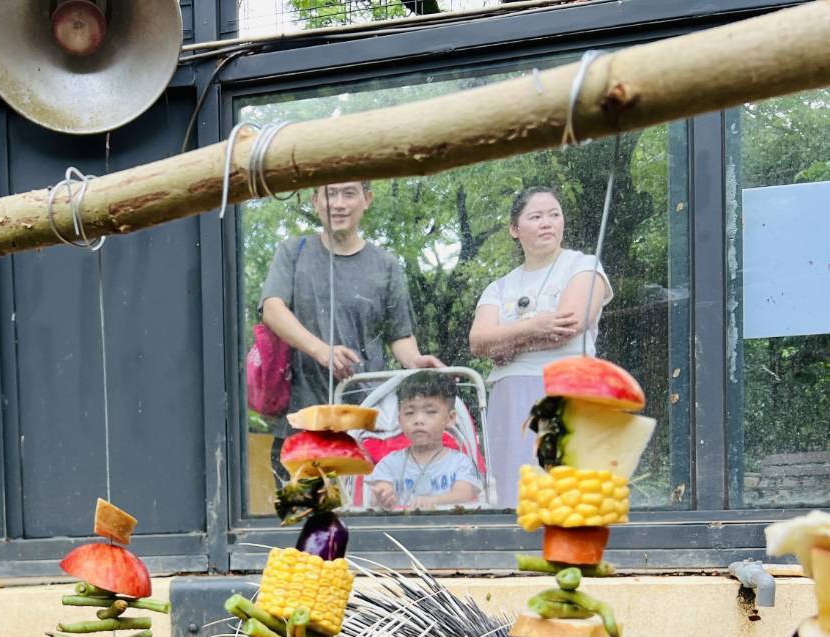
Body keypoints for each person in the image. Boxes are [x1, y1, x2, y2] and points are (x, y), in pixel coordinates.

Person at [259, 181, 445, 478]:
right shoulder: (294, 251)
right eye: (330, 194)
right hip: (302, 419)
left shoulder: (385, 265)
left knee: (364, 518)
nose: (340, 203)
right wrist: (322, 351)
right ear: (315, 200)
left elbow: (399, 335)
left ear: (366, 200)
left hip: (366, 423)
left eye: (349, 193)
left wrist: (415, 362)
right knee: (307, 521)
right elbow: (272, 309)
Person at [469, 186, 613, 507]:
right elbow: (479, 341)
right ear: (515, 230)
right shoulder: (499, 287)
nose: (547, 223)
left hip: (566, 389)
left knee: (564, 488)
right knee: (512, 488)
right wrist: (535, 326)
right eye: (536, 217)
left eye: (554, 215)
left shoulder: (583, 266)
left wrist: (507, 340)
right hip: (509, 398)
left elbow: (570, 324)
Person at [366, 372, 482, 511]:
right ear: (399, 420)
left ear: (450, 418)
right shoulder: (390, 463)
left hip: (448, 528)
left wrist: (434, 501)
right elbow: (380, 490)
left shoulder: (460, 462)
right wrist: (382, 497)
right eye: (409, 413)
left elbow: (463, 493)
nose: (418, 420)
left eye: (430, 412)